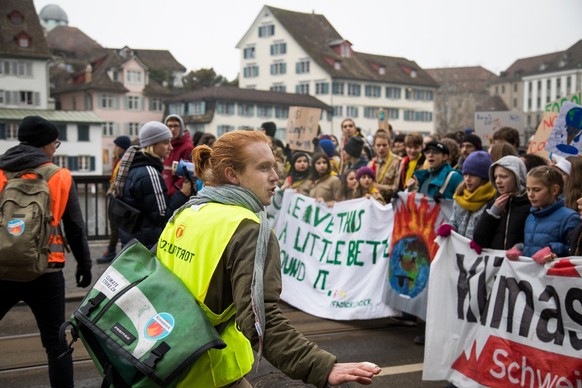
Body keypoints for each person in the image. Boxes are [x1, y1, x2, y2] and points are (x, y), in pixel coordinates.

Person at [155, 130, 381, 387]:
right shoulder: (248, 228)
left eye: (274, 166)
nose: (276, 177)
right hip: (205, 370)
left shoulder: (187, 211)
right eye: (263, 168)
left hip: (162, 356)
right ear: (232, 174)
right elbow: (260, 318)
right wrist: (320, 365)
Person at [0, 116, 92, 388]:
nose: (55, 148)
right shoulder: (60, 176)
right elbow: (75, 227)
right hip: (47, 271)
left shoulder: (1, 173)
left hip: (3, 268)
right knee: (55, 342)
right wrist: (84, 265)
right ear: (45, 145)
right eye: (55, 143)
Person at [119, 121, 192, 249]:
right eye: (165, 143)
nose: (170, 147)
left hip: (133, 241)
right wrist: (183, 194)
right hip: (146, 245)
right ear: (151, 145)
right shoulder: (150, 173)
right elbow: (162, 216)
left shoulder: (133, 166)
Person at [506, 166, 580, 263]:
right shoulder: (530, 217)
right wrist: (520, 248)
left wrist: (552, 249)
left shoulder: (570, 217)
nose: (530, 195)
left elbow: (575, 250)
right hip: (531, 276)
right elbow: (532, 245)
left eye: (536, 190)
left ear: (554, 190)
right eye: (528, 189)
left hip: (554, 277)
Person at [473, 156, 531, 250]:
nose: (498, 181)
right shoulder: (494, 204)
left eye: (503, 176)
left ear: (517, 177)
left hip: (518, 263)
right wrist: (493, 214)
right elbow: (479, 240)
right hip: (496, 263)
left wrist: (521, 248)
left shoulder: (530, 204)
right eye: (495, 177)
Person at [447, 151, 496, 238]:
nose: (467, 179)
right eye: (465, 174)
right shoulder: (460, 195)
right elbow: (454, 221)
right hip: (458, 249)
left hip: (479, 249)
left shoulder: (492, 199)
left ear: (484, 177)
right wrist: (448, 228)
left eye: (473, 175)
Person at [98, 135, 132, 264]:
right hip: (115, 196)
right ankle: (111, 251)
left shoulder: (124, 161)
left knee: (115, 227)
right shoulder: (119, 160)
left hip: (118, 198)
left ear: (123, 148)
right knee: (115, 226)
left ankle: (111, 251)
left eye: (117, 146)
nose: (115, 149)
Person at [162, 114, 194, 197]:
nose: (172, 129)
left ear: (181, 128)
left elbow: (188, 174)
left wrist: (173, 190)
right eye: (169, 126)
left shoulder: (187, 147)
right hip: (163, 192)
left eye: (176, 126)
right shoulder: (163, 145)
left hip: (177, 193)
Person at [368, 131, 401, 203]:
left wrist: (377, 186)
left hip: (390, 204)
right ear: (374, 146)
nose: (381, 148)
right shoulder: (371, 163)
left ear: (390, 145)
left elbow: (396, 188)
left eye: (384, 145)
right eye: (378, 145)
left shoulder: (398, 162)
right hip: (373, 202)